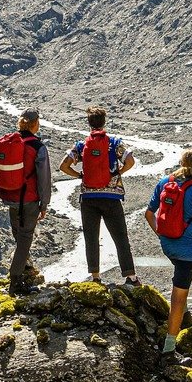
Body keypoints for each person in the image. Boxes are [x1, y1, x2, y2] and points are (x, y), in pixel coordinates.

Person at [60, 106, 141, 285]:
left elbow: (63, 166)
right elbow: (130, 161)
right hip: (111, 198)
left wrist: (80, 176)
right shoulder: (114, 142)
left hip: (88, 198)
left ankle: (95, 277)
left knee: (91, 238)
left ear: (89, 123)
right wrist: (119, 172)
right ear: (104, 122)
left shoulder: (82, 145)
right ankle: (131, 276)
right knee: (120, 237)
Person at [144, 148, 192, 355]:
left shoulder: (165, 182)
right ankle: (169, 348)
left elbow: (148, 213)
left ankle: (186, 316)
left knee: (180, 285)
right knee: (178, 297)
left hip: (167, 245)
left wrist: (161, 235)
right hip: (187, 251)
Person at [0, 108, 54, 294]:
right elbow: (44, 179)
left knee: (18, 234)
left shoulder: (8, 141)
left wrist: (4, 186)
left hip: (10, 198)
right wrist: (44, 204)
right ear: (35, 124)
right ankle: (15, 282)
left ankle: (24, 269)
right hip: (29, 200)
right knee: (25, 238)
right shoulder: (38, 147)